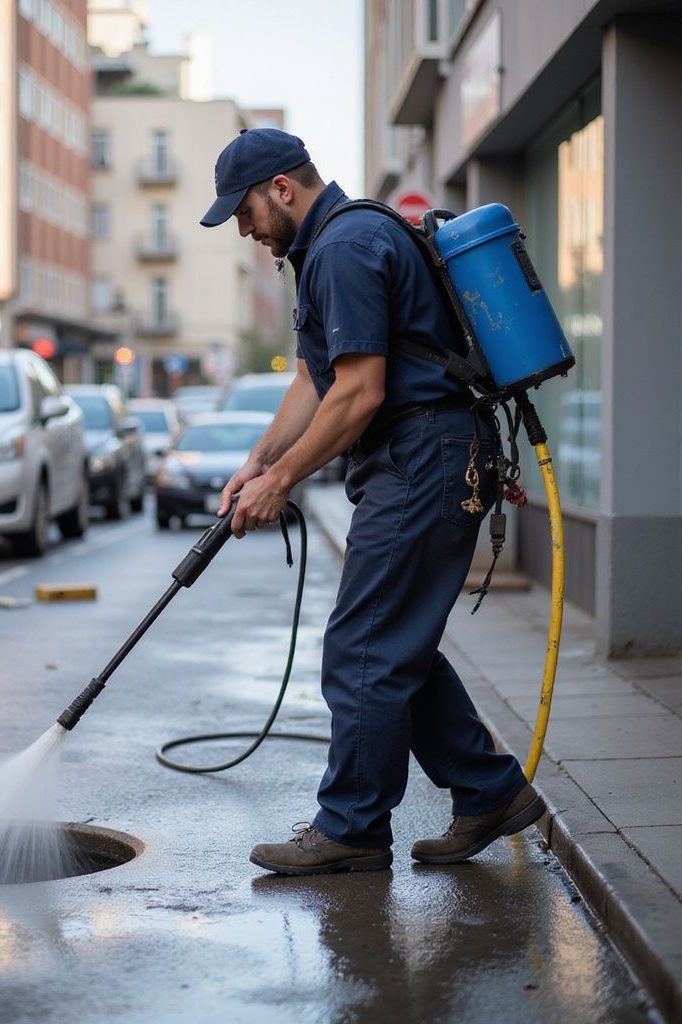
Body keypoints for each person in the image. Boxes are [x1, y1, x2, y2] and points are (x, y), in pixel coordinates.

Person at [201, 128, 543, 875]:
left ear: (282, 189)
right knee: (396, 644)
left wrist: (283, 482)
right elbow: (312, 379)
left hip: (423, 458)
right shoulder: (327, 247)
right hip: (421, 456)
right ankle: (489, 791)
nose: (245, 228)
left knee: (363, 647)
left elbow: (359, 393)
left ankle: (351, 826)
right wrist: (257, 461)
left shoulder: (345, 248)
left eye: (247, 211)